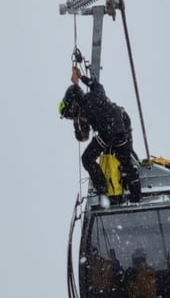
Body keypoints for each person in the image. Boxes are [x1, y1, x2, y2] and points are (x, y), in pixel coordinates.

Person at [59, 67, 141, 202]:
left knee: (87, 159)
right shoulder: (96, 93)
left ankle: (103, 190)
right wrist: (81, 78)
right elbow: (97, 85)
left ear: (74, 104)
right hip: (122, 129)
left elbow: (83, 136)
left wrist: (76, 124)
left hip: (108, 135)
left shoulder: (84, 110)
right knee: (126, 163)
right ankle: (136, 196)